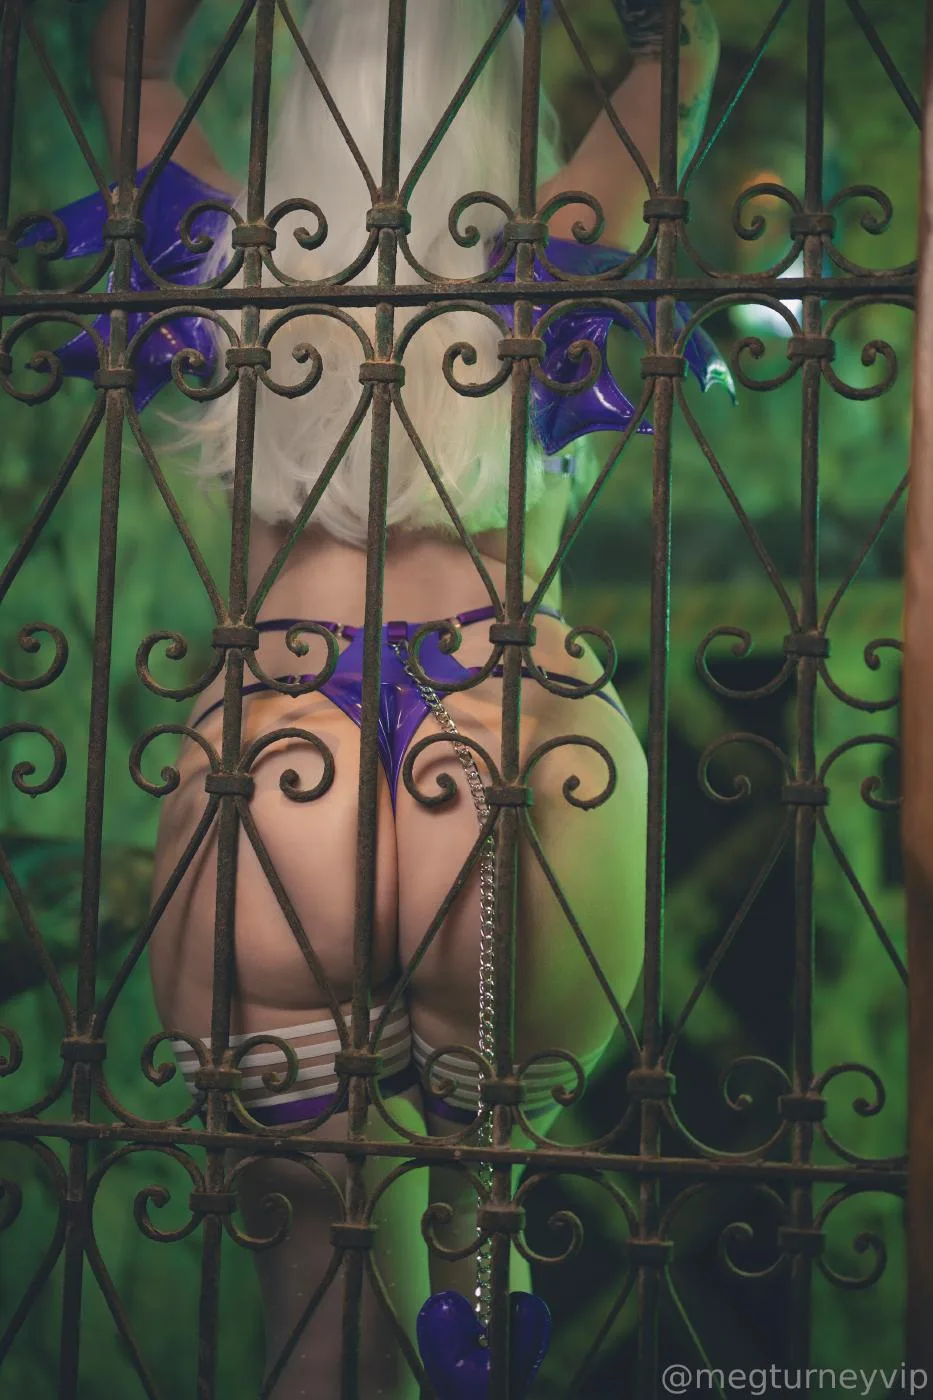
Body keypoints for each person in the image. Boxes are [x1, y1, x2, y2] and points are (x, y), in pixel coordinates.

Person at [85, 1, 721, 1395]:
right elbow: (676, 63)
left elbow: (126, 61)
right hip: (509, 722)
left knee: (318, 1277)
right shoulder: (550, 251)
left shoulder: (230, 254)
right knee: (483, 1235)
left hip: (281, 740)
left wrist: (155, 46)